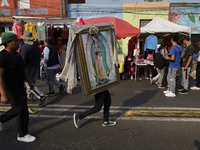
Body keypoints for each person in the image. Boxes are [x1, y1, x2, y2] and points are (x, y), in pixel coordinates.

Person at [0, 32, 36, 142]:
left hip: (19, 86)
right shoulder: (3, 56)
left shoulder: (17, 54)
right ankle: (22, 134)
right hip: (9, 88)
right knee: (21, 109)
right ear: (8, 43)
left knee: (19, 109)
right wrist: (3, 94)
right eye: (15, 41)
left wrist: (29, 82)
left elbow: (23, 70)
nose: (18, 43)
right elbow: (0, 75)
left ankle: (1, 119)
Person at [20, 31, 48, 107]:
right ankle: (29, 97)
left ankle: (41, 96)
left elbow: (22, 60)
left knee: (29, 84)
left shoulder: (25, 47)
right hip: (35, 67)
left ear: (24, 39)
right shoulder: (36, 46)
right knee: (32, 83)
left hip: (27, 68)